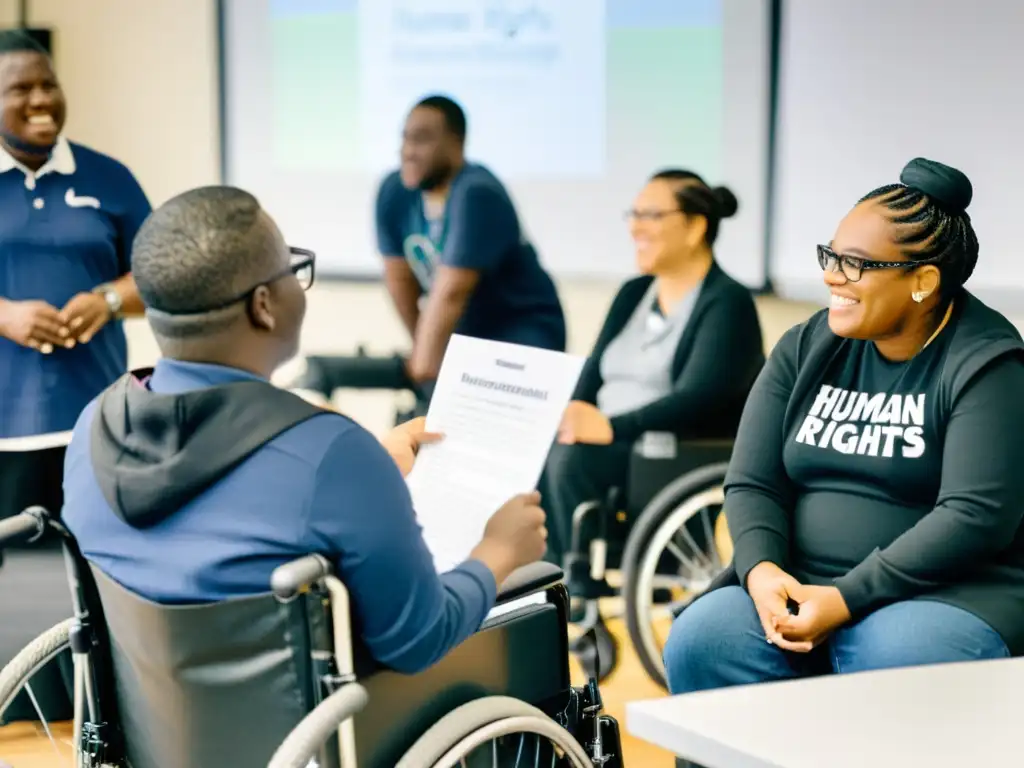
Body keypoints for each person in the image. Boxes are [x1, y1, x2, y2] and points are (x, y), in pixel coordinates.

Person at [60, 185, 549, 676]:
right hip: (311, 741)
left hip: (148, 736)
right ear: (264, 305)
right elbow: (416, 640)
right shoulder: (332, 456)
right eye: (294, 268)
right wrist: (498, 552)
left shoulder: (91, 428)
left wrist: (371, 469)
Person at [663, 158, 1024, 701]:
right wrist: (761, 571)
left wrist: (846, 599)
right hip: (798, 582)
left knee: (895, 655)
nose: (832, 275)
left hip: (946, 595)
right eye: (830, 255)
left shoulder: (987, 363)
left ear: (923, 281)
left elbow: (975, 517)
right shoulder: (808, 346)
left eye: (856, 264)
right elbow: (753, 482)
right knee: (705, 639)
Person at [0, 29, 150, 723]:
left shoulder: (107, 177)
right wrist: (4, 316)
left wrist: (109, 300)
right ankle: (17, 711)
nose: (39, 101)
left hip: (97, 418)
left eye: (47, 84)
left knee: (101, 573)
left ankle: (105, 715)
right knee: (10, 587)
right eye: (18, 89)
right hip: (6, 427)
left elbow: (158, 275)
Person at [541, 169, 764, 577]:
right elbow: (594, 371)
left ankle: (571, 584)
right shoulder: (633, 293)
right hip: (614, 441)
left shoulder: (727, 302)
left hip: (666, 448)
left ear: (696, 226)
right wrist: (571, 411)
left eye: (652, 216)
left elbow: (701, 397)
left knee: (570, 459)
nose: (636, 228)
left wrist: (609, 426)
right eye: (634, 214)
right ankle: (547, 578)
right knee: (543, 444)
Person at [298, 94, 566, 411]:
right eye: (405, 138)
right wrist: (421, 352)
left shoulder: (477, 193)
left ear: (457, 143)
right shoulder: (394, 191)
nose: (408, 151)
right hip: (467, 335)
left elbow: (450, 293)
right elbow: (398, 277)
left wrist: (425, 363)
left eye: (423, 139)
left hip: (521, 334)